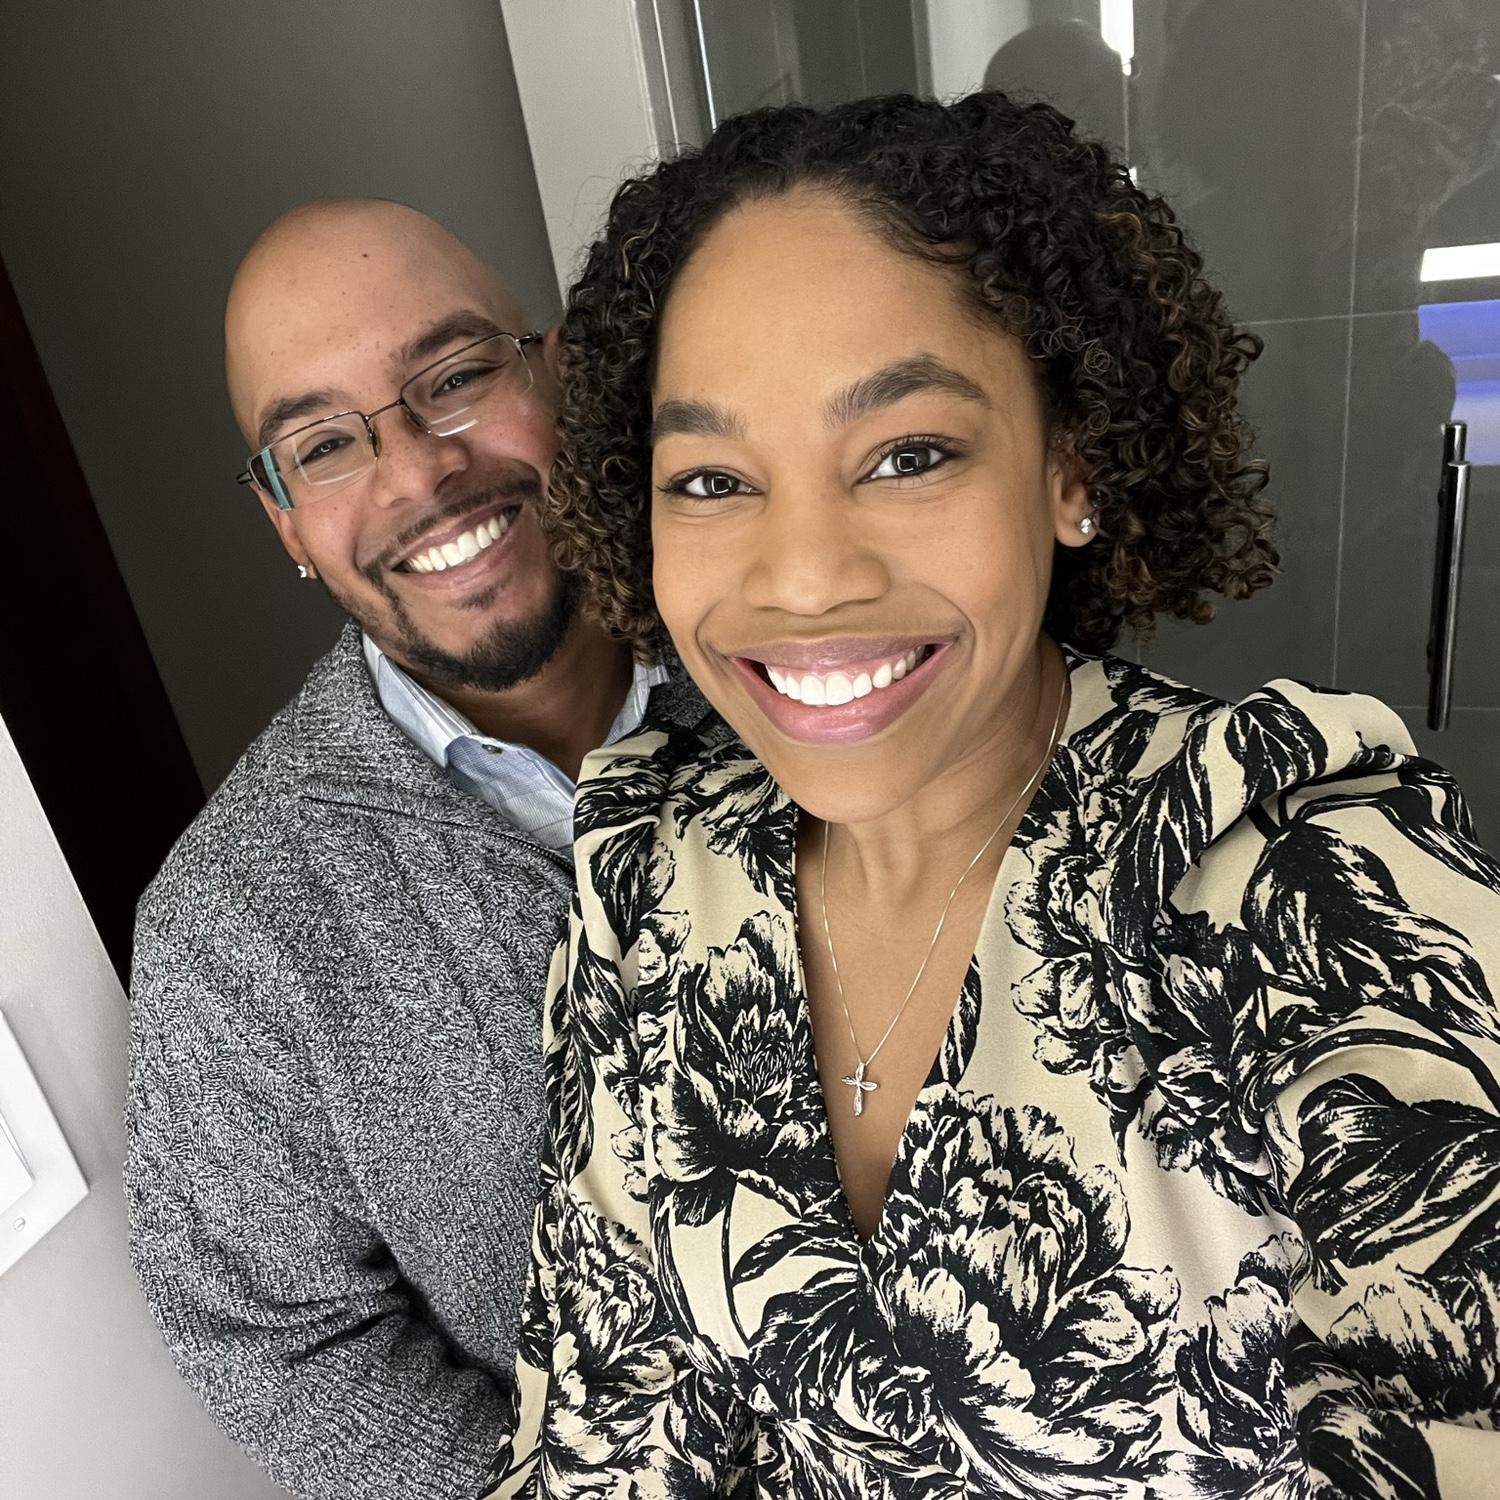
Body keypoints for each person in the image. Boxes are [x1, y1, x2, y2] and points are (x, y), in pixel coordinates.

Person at [485, 94, 1500, 1497]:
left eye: (908, 455)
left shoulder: (1302, 878)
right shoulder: (652, 874)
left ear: (1070, 466)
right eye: (711, 479)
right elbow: (607, 1428)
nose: (802, 577)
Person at [124, 199, 698, 1500]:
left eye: (453, 377)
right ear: (283, 520)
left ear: (557, 372)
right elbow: (274, 1338)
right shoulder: (230, 924)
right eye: (324, 445)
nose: (419, 474)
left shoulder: (808, 652)